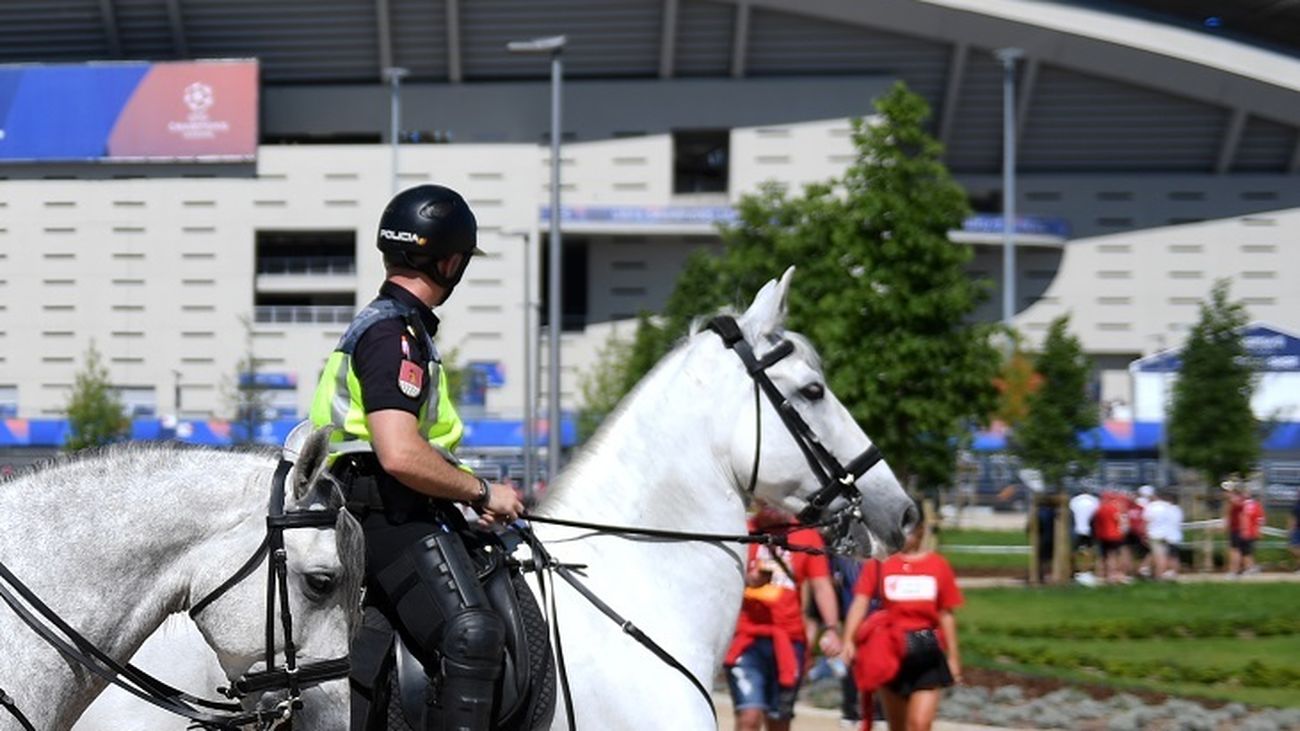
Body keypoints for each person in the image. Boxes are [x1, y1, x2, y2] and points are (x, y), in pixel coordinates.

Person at [310, 185, 525, 731]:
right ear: (450, 262)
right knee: (472, 632)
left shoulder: (395, 329)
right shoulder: (392, 335)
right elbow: (400, 454)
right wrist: (482, 491)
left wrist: (463, 490)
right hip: (381, 510)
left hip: (391, 503)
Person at [725, 504, 844, 731]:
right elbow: (723, 580)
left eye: (774, 500)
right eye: (764, 501)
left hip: (789, 641)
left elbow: (822, 586)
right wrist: (749, 580)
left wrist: (831, 629)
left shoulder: (806, 536)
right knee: (749, 716)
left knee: (779, 721)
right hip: (746, 640)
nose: (769, 506)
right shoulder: (743, 532)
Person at [842, 515, 962, 731]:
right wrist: (849, 639)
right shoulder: (881, 564)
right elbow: (860, 602)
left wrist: (953, 656)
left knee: (920, 724)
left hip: (926, 650)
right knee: (898, 725)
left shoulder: (937, 565)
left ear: (921, 531)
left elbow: (946, 613)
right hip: (892, 650)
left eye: (908, 529)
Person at [1142, 488, 1184, 580]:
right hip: (1171, 535)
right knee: (1173, 557)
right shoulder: (1173, 508)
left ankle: (1159, 575)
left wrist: (1144, 533)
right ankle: (1173, 574)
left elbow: (1146, 520)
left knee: (1160, 557)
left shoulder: (1152, 506)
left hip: (1155, 534)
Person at [1226, 482, 1265, 576]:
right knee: (1245, 552)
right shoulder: (1249, 503)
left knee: (1236, 550)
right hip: (1244, 531)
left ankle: (1234, 571)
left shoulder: (1242, 503)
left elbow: (1246, 517)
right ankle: (1251, 567)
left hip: (1239, 530)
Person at [1092, 490, 1128, 583]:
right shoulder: (1114, 509)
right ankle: (1113, 575)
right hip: (1115, 535)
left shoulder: (1099, 509)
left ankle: (1100, 575)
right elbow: (1120, 522)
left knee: (1102, 556)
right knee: (1113, 556)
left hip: (1101, 535)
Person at [1068, 488, 1100, 583]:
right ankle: (1087, 570)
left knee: (1073, 550)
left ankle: (1073, 570)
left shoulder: (1074, 501)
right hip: (1090, 528)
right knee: (1090, 549)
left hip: (1076, 528)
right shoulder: (1094, 501)